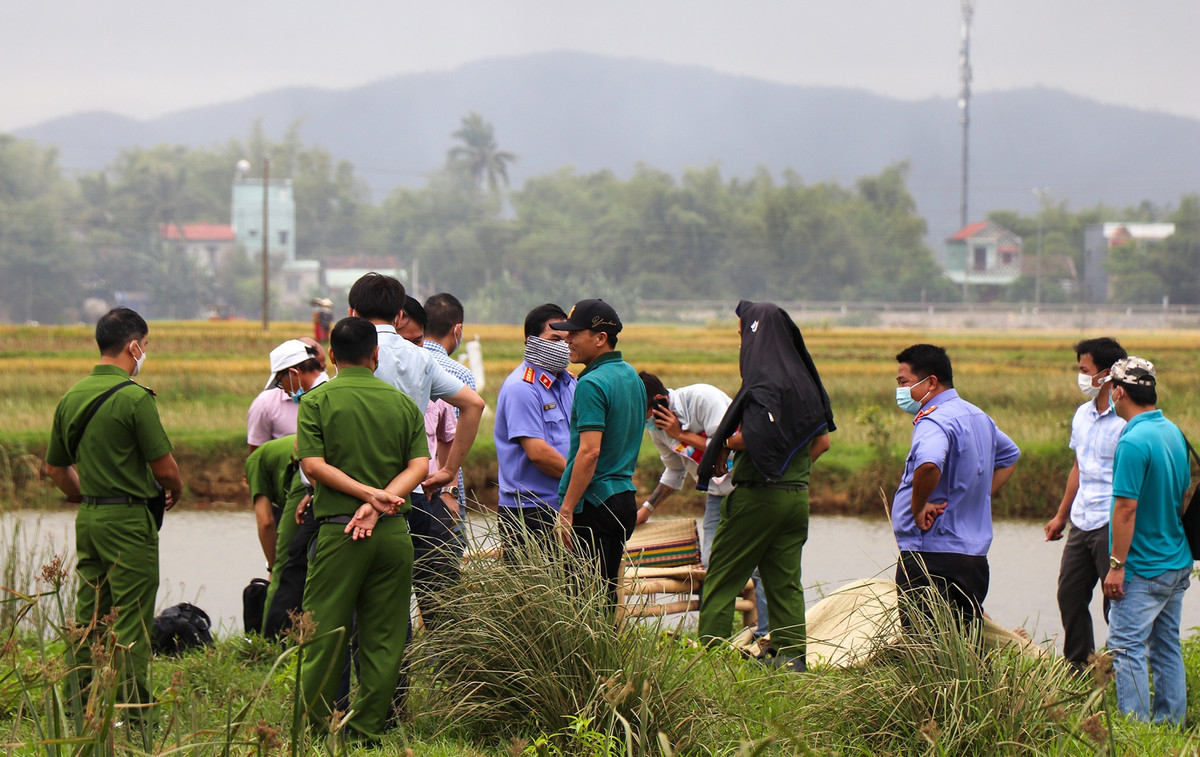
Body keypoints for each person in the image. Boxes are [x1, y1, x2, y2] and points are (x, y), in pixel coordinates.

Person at [296, 316, 429, 742]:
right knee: (386, 638)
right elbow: (420, 466)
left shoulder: (317, 402)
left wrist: (365, 495)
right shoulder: (402, 403)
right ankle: (368, 730)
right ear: (376, 355)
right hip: (393, 534)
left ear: (331, 356)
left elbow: (312, 465)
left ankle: (318, 730)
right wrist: (383, 497)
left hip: (340, 534)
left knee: (325, 634)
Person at [44, 306, 184, 709]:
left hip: (89, 518)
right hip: (128, 521)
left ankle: (78, 704)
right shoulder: (134, 398)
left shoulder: (71, 396)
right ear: (134, 346)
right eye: (145, 347)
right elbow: (165, 467)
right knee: (131, 619)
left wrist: (84, 495)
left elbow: (55, 467)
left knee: (88, 615)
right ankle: (132, 710)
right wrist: (175, 489)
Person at [695, 301, 834, 671]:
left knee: (722, 578)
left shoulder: (765, 381)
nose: (741, 343)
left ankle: (710, 663)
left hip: (757, 496)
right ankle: (792, 661)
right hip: (795, 498)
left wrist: (724, 443)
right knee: (785, 582)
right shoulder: (805, 382)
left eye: (742, 334)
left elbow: (755, 435)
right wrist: (790, 471)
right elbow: (822, 443)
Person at [346, 273, 485, 631]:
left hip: (359, 491)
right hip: (414, 490)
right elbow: (473, 405)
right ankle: (439, 681)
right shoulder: (421, 358)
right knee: (435, 599)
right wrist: (450, 471)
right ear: (398, 316)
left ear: (351, 311)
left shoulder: (350, 352)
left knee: (368, 608)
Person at [890, 343, 1020, 628]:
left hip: (931, 554)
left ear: (931, 382)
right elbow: (1010, 455)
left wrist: (917, 507)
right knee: (964, 645)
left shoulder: (933, 420)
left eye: (904, 382)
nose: (899, 390)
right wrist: (978, 495)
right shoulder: (978, 416)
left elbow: (928, 464)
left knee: (925, 648)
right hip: (972, 558)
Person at [636, 371, 770, 635]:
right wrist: (646, 509)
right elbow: (675, 472)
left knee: (757, 563)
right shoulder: (660, 432)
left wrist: (681, 434)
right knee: (711, 562)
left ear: (660, 401)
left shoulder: (702, 399)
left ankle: (767, 633)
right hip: (715, 494)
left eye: (643, 414)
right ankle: (715, 635)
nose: (644, 422)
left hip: (747, 487)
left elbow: (728, 448)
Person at [1101, 356, 1192, 725]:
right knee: (1167, 645)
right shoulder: (1173, 431)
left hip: (1143, 567)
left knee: (1125, 648)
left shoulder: (1134, 441)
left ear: (1119, 391)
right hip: (1176, 560)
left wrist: (1116, 567)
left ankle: (1136, 732)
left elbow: (1125, 509)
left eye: (1110, 389)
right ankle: (1170, 726)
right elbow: (1182, 493)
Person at [551, 299, 645, 604]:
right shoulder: (631, 375)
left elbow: (590, 453)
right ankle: (604, 653)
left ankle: (585, 654)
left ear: (600, 338)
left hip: (595, 503)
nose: (567, 339)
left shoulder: (591, 383)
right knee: (605, 594)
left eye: (575, 333)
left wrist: (566, 510)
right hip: (622, 499)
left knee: (580, 600)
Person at [1043, 337, 1127, 670]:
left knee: (1114, 601)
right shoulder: (1082, 415)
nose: (1080, 376)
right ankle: (1078, 666)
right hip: (1081, 520)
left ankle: (1118, 668)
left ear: (1106, 374)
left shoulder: (1125, 421)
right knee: (1070, 594)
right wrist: (1061, 517)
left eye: (1084, 370)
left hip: (1110, 521)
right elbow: (1078, 467)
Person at [493, 304, 576, 550]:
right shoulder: (522, 387)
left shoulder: (570, 383)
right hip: (529, 511)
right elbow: (538, 453)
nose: (563, 346)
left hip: (564, 503)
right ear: (532, 341)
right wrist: (584, 478)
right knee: (532, 587)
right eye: (554, 339)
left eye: (566, 340)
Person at [423, 292, 476, 516]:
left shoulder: (406, 362)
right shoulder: (461, 375)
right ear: (457, 330)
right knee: (448, 549)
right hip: (444, 491)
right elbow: (453, 438)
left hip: (408, 486)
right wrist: (450, 491)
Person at [246, 340, 323, 452]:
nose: (283, 389)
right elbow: (257, 455)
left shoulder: (327, 397)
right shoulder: (265, 402)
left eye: (280, 382)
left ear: (293, 374)